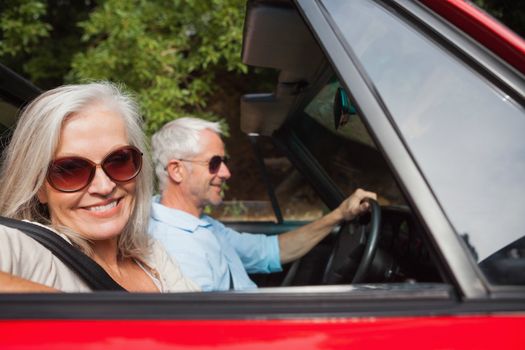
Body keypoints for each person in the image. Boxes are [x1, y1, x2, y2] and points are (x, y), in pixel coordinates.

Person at [0, 82, 199, 293]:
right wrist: (78, 315)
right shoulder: (24, 248)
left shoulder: (152, 257)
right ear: (39, 187)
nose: (104, 186)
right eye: (71, 170)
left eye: (119, 160)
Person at [149, 117, 377, 291]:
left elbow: (269, 252)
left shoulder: (200, 224)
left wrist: (338, 215)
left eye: (224, 162)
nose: (226, 172)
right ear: (176, 170)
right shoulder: (173, 244)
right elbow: (207, 328)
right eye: (214, 163)